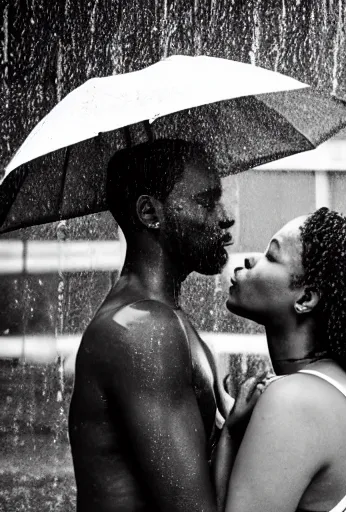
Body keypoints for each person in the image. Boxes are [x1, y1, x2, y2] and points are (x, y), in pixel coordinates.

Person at [68, 138, 236, 512]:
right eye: (206, 201)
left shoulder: (168, 320)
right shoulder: (143, 330)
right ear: (149, 213)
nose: (225, 216)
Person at [215, 207, 346, 512]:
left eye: (271, 256)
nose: (251, 260)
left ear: (306, 298)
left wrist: (228, 438)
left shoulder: (294, 401)